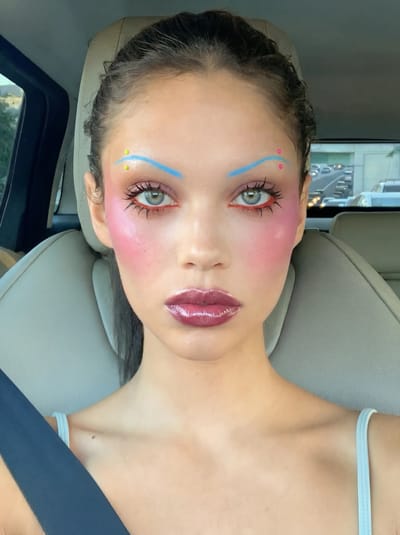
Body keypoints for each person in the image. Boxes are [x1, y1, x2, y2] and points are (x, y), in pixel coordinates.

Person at [1, 10, 400, 534]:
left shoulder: (390, 470)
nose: (202, 249)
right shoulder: (14, 482)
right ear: (98, 208)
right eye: (151, 195)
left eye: (253, 195)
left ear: (301, 208)